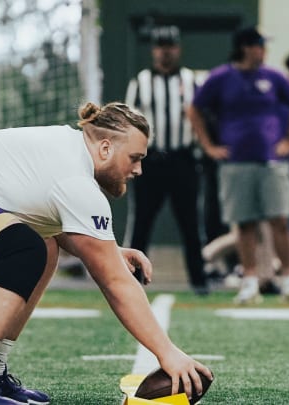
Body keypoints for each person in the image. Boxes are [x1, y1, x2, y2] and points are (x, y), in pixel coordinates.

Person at [0, 102, 214, 405]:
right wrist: (168, 354)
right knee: (25, 248)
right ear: (106, 147)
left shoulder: (69, 154)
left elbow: (61, 229)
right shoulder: (76, 180)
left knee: (44, 245)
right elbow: (115, 283)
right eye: (135, 158)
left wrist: (111, 249)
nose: (138, 170)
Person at [188, 26, 289, 304]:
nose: (264, 51)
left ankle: (288, 280)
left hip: (271, 162)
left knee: (279, 220)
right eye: (259, 45)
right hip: (235, 163)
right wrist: (209, 146)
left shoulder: (274, 77)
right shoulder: (221, 77)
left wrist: (288, 141)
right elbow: (194, 108)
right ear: (246, 47)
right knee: (244, 224)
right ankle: (249, 281)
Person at [123, 25, 208, 295]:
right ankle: (131, 281)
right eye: (161, 47)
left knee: (191, 223)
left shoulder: (192, 81)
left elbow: (202, 118)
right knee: (142, 221)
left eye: (170, 47)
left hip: (183, 158)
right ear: (153, 50)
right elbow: (129, 122)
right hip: (152, 160)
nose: (165, 53)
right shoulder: (140, 82)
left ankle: (199, 281)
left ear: (178, 49)